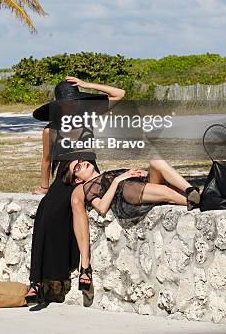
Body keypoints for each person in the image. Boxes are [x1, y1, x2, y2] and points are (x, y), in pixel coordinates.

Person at [26, 77, 125, 303]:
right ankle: (36, 282)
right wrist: (44, 187)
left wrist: (87, 85)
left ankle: (84, 268)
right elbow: (46, 160)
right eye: (66, 103)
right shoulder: (50, 129)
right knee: (45, 213)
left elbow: (119, 93)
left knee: (77, 203)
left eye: (74, 102)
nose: (70, 107)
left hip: (89, 172)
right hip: (66, 175)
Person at [63, 158, 201, 289]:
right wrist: (117, 180)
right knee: (167, 192)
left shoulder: (106, 173)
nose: (83, 163)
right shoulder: (88, 187)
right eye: (77, 167)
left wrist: (141, 173)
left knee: (156, 161)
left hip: (140, 182)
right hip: (129, 190)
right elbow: (102, 207)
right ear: (78, 179)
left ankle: (191, 190)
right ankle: (203, 199)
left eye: (81, 161)